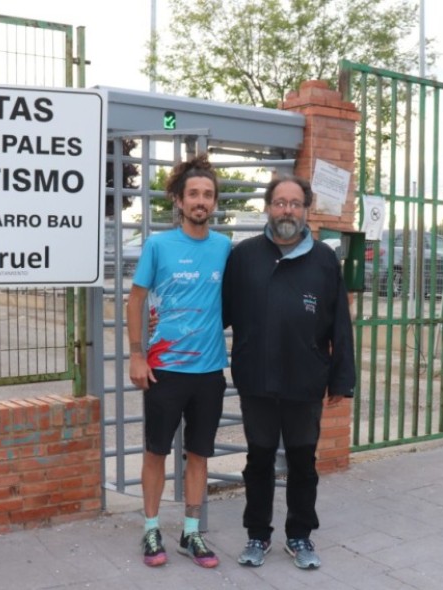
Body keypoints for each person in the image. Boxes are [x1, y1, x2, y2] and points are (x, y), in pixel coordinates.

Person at [222, 175, 356, 570]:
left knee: (302, 463)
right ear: (268, 207)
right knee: (258, 461)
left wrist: (340, 378)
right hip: (257, 379)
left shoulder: (325, 259)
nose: (287, 210)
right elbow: (221, 313)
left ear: (306, 210)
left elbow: (340, 325)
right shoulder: (244, 256)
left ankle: (299, 535)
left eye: (295, 204)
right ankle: (257, 535)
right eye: (280, 202)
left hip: (305, 380)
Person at [127, 154, 231, 569]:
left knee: (199, 455)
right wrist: (137, 353)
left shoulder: (225, 248)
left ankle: (191, 533)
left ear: (215, 201)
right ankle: (151, 528)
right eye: (193, 194)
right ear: (179, 200)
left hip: (209, 373)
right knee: (156, 452)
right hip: (165, 370)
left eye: (207, 194)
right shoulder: (158, 245)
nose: (200, 201)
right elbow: (135, 301)